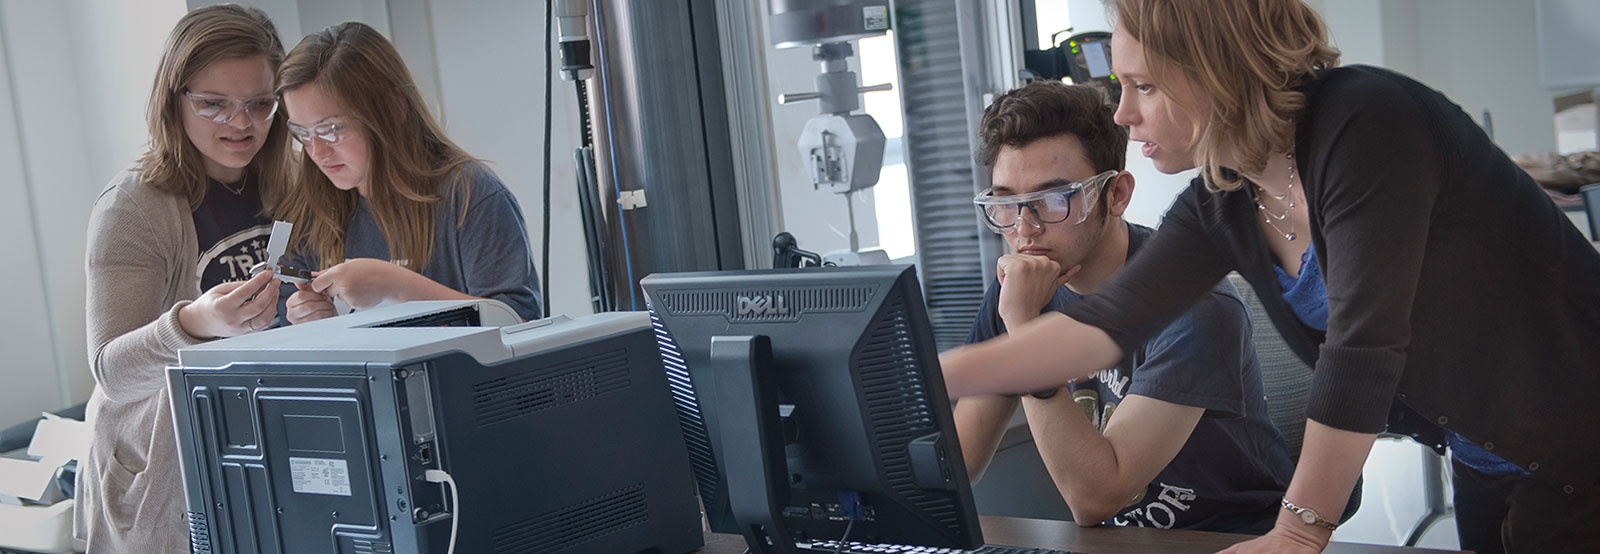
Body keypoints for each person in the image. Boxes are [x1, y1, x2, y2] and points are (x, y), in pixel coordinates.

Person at [939, 1, 1600, 552]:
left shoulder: (1366, 121)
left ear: (1214, 72)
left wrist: (1297, 532)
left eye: (1144, 86)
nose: (1123, 114)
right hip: (1489, 449)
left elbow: (1362, 349)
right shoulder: (1226, 196)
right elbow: (1103, 327)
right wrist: (935, 376)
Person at [953, 81, 1294, 533]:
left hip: (1227, 540)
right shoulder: (1017, 291)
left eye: (1054, 200)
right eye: (1007, 204)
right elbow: (958, 463)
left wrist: (1024, 329)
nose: (1025, 229)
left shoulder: (1197, 308)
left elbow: (1094, 497)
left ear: (1115, 194)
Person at [78, 5, 293, 552]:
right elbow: (112, 371)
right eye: (214, 104)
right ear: (174, 101)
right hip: (165, 477)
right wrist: (195, 324)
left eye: (259, 104)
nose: (240, 124)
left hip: (265, 448)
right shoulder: (132, 206)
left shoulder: (294, 181)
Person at [275, 22, 542, 324]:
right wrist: (306, 321)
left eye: (332, 129)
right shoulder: (310, 213)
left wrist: (396, 286)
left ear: (392, 108)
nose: (317, 151)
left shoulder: (469, 195)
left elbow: (519, 324)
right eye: (303, 133)